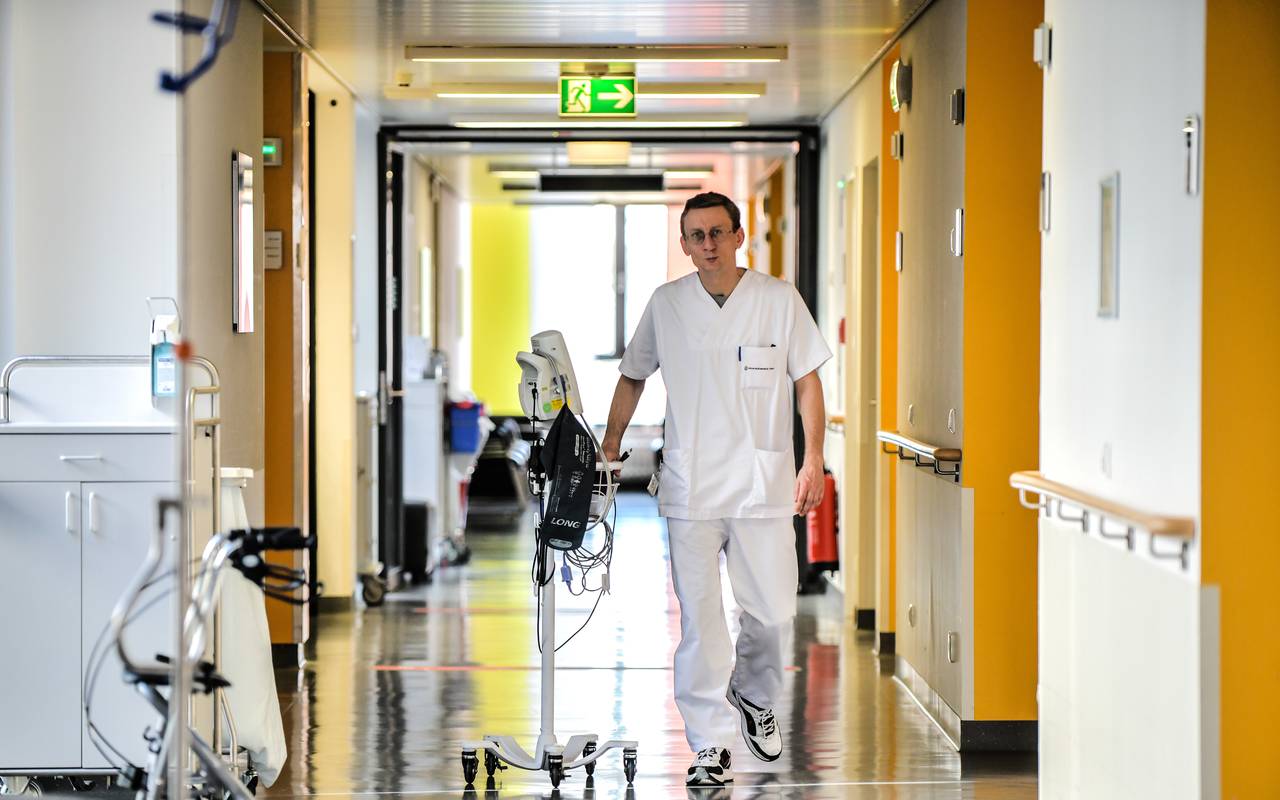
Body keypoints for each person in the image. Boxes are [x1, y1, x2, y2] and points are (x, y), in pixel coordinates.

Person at [602, 191, 831, 788]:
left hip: (764, 483)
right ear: (684, 244)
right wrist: (609, 443)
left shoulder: (778, 301)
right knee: (702, 623)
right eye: (696, 236)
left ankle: (753, 695)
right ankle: (710, 746)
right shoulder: (667, 303)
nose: (708, 245)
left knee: (775, 612)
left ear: (738, 236)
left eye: (717, 233)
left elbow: (807, 384)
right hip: (692, 485)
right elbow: (633, 377)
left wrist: (814, 462)